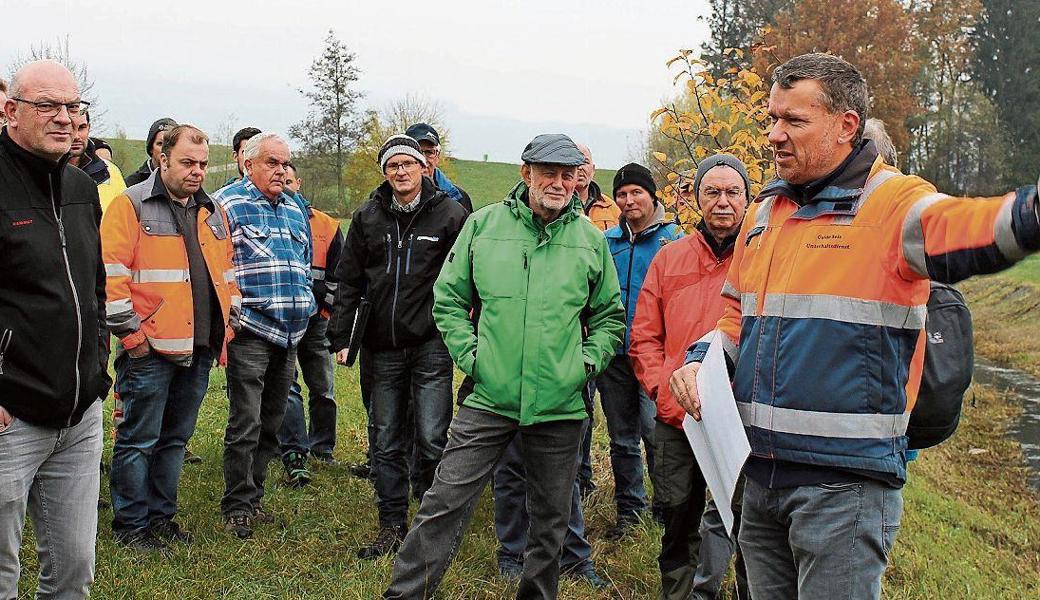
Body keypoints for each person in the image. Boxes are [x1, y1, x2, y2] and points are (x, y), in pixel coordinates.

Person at [670, 52, 1040, 600]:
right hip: (759, 476)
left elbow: (974, 228)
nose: (774, 134)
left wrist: (1031, 214)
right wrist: (699, 363)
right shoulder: (765, 213)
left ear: (846, 126)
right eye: (772, 118)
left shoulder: (893, 203)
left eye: (794, 121)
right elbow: (735, 319)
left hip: (843, 488)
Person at [383, 134, 625, 600]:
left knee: (552, 518)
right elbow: (449, 299)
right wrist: (473, 358)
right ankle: (405, 594)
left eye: (567, 174)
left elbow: (609, 316)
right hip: (489, 397)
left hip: (559, 403)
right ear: (526, 174)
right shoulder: (484, 226)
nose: (558, 182)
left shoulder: (590, 241)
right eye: (548, 173)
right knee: (444, 502)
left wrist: (584, 364)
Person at [0, 59, 110, 600]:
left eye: (73, 106)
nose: (65, 118)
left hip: (80, 415)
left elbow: (94, 289)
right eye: (49, 106)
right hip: (10, 417)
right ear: (11, 110)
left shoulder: (80, 188)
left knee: (73, 573)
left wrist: (97, 371)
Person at [328, 134, 468, 559]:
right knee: (385, 438)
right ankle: (390, 524)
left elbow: (467, 278)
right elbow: (349, 278)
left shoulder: (450, 214)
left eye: (408, 163)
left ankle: (431, 520)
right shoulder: (367, 217)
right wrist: (339, 334)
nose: (401, 172)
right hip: (380, 345)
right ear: (384, 172)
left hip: (431, 342)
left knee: (431, 436)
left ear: (423, 167)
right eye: (393, 166)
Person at [102, 124, 239, 552]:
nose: (197, 171)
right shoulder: (132, 205)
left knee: (175, 440)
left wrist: (227, 327)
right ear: (162, 158)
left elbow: (227, 274)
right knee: (138, 440)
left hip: (198, 347)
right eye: (187, 163)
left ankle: (162, 518)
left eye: (202, 164)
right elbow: (111, 278)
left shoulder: (212, 210)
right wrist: (133, 339)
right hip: (150, 350)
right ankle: (130, 525)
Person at [630, 154, 751, 600]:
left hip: (738, 422)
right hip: (677, 419)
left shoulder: (759, 260)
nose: (722, 202)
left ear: (747, 198)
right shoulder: (669, 259)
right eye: (712, 192)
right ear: (697, 198)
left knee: (742, 522)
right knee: (679, 518)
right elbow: (644, 336)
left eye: (732, 192)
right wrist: (665, 391)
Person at [214, 132, 315, 539]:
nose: (281, 170)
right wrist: (233, 320)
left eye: (286, 163)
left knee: (272, 421)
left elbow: (303, 265)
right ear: (248, 163)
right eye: (272, 162)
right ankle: (237, 504)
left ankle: (254, 496)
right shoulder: (227, 205)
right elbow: (219, 267)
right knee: (246, 421)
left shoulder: (294, 209)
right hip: (252, 330)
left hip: (291, 333)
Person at [599, 162, 683, 540]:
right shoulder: (608, 243)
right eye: (621, 194)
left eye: (636, 192)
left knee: (656, 433)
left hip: (656, 357)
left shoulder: (673, 241)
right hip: (614, 356)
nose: (629, 200)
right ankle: (630, 511)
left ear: (652, 195)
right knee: (622, 438)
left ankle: (667, 510)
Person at [276, 163, 343, 487]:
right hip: (286, 319)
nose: (285, 185)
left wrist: (327, 313)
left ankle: (323, 446)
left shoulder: (327, 225)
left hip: (317, 321)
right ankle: (293, 447)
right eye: (281, 180)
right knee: (288, 387)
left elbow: (338, 275)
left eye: (290, 180)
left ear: (298, 182)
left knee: (323, 387)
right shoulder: (274, 217)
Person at [405, 122, 473, 212]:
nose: (423, 160)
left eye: (429, 152)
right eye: (417, 152)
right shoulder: (387, 199)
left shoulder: (460, 199)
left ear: (437, 157)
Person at [70, 110, 127, 213]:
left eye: (81, 128)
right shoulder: (43, 172)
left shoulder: (111, 171)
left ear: (89, 128)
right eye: (69, 128)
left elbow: (123, 217)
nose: (76, 136)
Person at [576, 143, 620, 231]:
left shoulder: (610, 206)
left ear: (593, 169)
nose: (580, 167)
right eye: (575, 162)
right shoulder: (558, 205)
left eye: (585, 162)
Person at [124, 117, 176, 186]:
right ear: (151, 148)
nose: (165, 149)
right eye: (160, 143)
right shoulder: (131, 184)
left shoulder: (188, 182)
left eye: (170, 144)